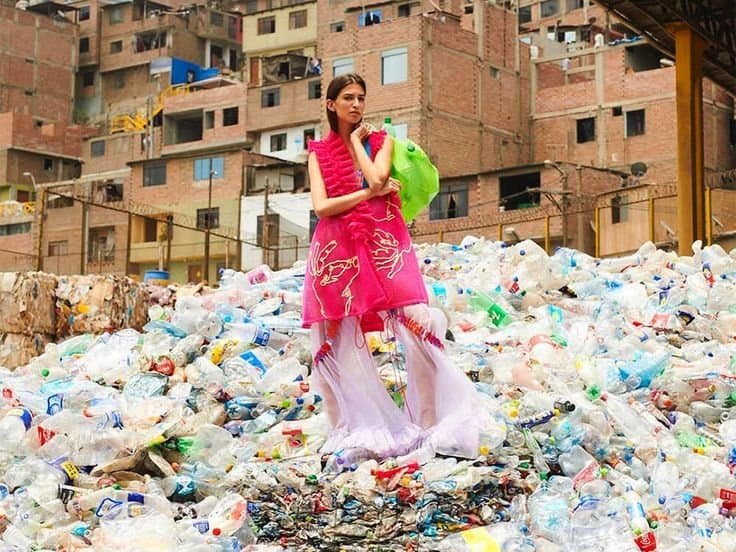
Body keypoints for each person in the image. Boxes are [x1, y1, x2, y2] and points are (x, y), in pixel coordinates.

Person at [303, 73, 482, 462]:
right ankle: (346, 430)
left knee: (419, 321)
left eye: (361, 98)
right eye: (347, 98)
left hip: (384, 244)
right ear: (331, 105)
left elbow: (379, 176)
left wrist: (355, 144)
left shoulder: (381, 140)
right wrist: (368, 194)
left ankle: (431, 422)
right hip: (335, 251)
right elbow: (322, 207)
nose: (356, 104)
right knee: (334, 341)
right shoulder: (317, 152)